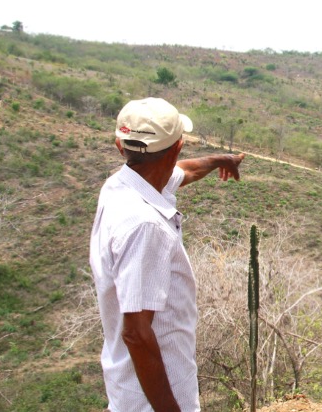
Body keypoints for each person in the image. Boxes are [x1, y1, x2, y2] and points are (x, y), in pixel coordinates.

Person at [89, 97, 244, 412]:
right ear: (177, 146)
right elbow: (136, 333)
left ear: (121, 146)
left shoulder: (120, 187)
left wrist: (218, 160)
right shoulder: (145, 227)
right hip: (154, 400)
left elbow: (182, 172)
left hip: (128, 390)